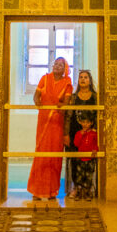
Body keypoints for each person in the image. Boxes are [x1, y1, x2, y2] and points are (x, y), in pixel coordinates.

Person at [27, 56, 72, 200]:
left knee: (54, 156)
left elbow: (66, 102)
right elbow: (36, 96)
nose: (57, 66)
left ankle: (52, 191)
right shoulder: (44, 78)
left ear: (65, 69)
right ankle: (37, 191)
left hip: (57, 122)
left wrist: (61, 106)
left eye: (61, 65)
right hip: (44, 120)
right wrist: (37, 101)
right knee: (41, 154)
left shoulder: (67, 82)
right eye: (56, 64)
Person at [63, 69, 98, 199]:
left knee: (89, 161)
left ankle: (88, 188)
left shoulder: (95, 97)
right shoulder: (73, 97)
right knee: (75, 160)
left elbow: (98, 116)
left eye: (86, 77)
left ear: (90, 80)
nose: (83, 79)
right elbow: (67, 116)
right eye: (81, 77)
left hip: (91, 134)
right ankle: (77, 187)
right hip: (75, 133)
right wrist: (66, 134)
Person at [73, 112, 98, 200]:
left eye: (87, 122)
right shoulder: (78, 133)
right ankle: (79, 192)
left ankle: (87, 193)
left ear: (91, 123)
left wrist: (95, 149)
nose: (85, 124)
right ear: (80, 122)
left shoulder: (94, 134)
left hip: (90, 159)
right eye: (83, 122)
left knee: (88, 176)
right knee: (79, 176)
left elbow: (96, 144)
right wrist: (81, 135)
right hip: (81, 159)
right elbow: (76, 143)